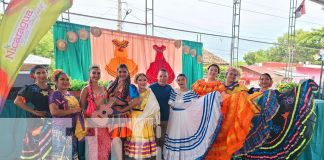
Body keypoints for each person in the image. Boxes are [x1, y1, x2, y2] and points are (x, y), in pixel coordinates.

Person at [234, 74, 318, 159]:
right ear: (259, 81)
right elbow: (241, 99)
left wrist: (304, 87)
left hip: (268, 125)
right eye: (262, 79)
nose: (264, 81)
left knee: (267, 143)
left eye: (267, 79)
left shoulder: (274, 93)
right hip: (251, 123)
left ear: (270, 81)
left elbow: (286, 98)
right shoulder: (252, 91)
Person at [163, 74, 223, 160]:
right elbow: (170, 105)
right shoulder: (174, 91)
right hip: (174, 118)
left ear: (186, 80)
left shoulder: (191, 93)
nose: (181, 82)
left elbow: (199, 103)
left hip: (185, 118)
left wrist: (212, 97)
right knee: (174, 136)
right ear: (176, 82)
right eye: (179, 80)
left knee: (184, 136)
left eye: (182, 79)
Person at [204, 67, 256, 160]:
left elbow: (247, 97)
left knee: (230, 136)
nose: (232, 76)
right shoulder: (219, 85)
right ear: (226, 74)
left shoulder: (240, 87)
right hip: (220, 116)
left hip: (233, 117)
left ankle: (230, 155)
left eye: (235, 75)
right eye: (231, 74)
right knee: (218, 137)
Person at [14, 65, 53, 159]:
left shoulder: (53, 87)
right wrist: (34, 112)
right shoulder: (29, 88)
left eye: (44, 72)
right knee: (36, 146)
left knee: (52, 146)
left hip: (53, 118)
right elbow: (17, 101)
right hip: (37, 121)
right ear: (33, 75)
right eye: (38, 73)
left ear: (47, 74)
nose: (42, 75)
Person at [49, 70, 87, 159]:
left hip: (72, 129)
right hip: (61, 130)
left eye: (67, 79)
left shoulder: (69, 94)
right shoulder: (55, 94)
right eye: (62, 79)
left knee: (72, 154)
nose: (65, 81)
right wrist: (73, 111)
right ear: (56, 81)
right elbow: (54, 112)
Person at [106, 64, 140, 160]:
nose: (122, 73)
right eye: (120, 71)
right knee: (114, 142)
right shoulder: (111, 84)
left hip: (123, 116)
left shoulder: (131, 87)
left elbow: (136, 102)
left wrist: (123, 109)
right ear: (117, 73)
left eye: (124, 71)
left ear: (128, 73)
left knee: (122, 141)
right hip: (112, 116)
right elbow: (107, 100)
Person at [124, 73, 160, 159]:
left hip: (145, 120)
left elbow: (156, 107)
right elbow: (127, 104)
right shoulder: (132, 91)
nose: (142, 82)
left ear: (147, 81)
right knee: (136, 141)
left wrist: (147, 117)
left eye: (144, 80)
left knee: (143, 141)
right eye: (140, 80)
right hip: (134, 119)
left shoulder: (149, 92)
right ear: (136, 81)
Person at [80, 65, 111, 160]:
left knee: (105, 144)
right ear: (89, 74)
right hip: (92, 122)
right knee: (94, 146)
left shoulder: (103, 88)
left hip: (104, 122)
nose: (96, 75)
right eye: (94, 73)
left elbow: (106, 105)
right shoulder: (85, 89)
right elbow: (81, 108)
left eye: (98, 73)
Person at [149, 69, 172, 151]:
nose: (162, 78)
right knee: (155, 138)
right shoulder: (151, 88)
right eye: (160, 76)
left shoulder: (169, 88)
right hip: (154, 118)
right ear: (157, 77)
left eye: (165, 76)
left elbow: (172, 103)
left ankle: (161, 155)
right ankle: (155, 155)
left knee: (163, 138)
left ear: (167, 77)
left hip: (165, 118)